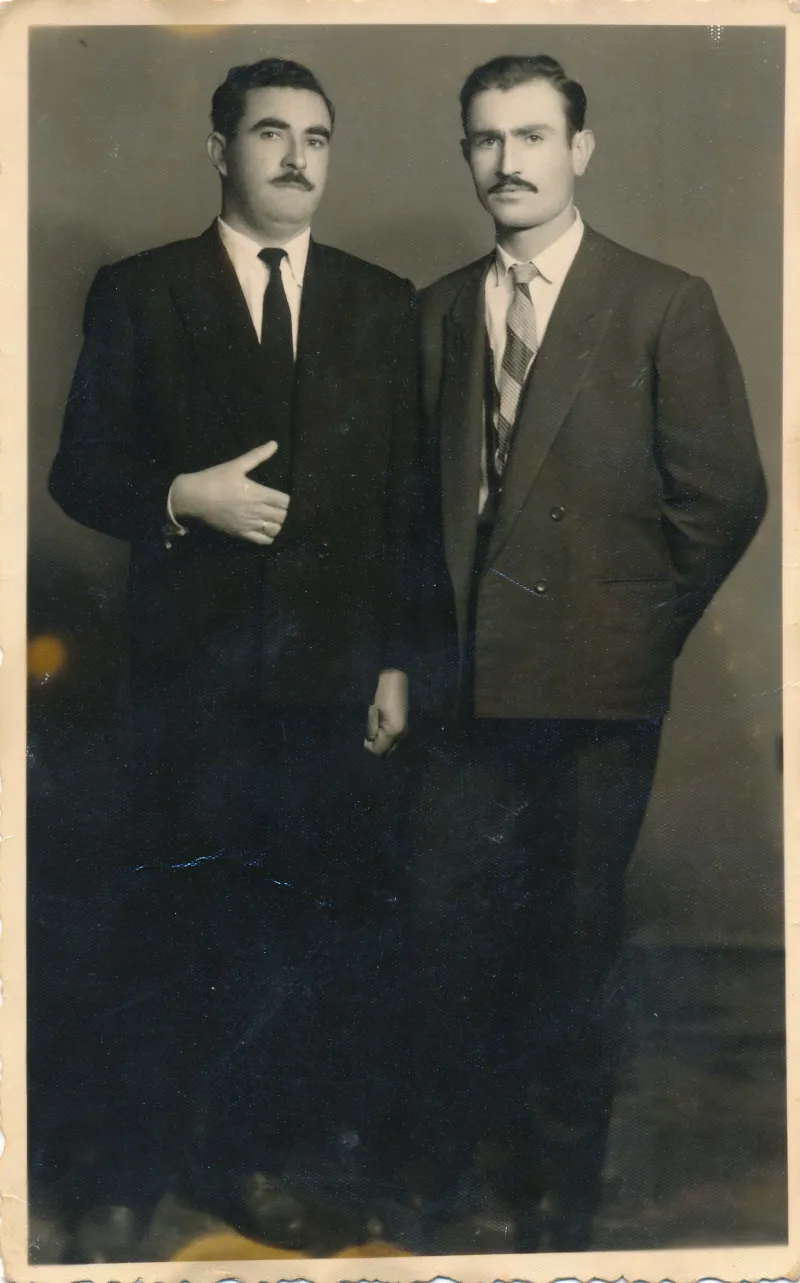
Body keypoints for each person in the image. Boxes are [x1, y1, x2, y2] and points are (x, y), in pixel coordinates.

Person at [49, 57, 417, 1246]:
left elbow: (404, 503)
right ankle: (125, 1169)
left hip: (325, 682)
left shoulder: (380, 301)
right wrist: (182, 495)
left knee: (290, 937)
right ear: (220, 149)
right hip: (185, 683)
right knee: (164, 926)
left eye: (316, 137)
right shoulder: (142, 290)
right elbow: (78, 472)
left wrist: (395, 662)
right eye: (270, 133)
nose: (296, 157)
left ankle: (248, 1164)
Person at [410, 53, 767, 1253]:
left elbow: (721, 496)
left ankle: (555, 1200)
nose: (505, 161)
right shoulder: (437, 311)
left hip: (591, 692)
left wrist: (625, 631)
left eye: (529, 135)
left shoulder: (661, 302)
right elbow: (415, 511)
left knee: (567, 946)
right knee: (451, 936)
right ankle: (455, 1169)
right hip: (460, 689)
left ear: (579, 149)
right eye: (483, 138)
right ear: (466, 154)